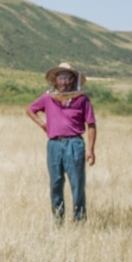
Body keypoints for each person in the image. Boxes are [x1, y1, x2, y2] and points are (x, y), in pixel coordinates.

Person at [27, 61, 98, 223]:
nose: (64, 82)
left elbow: (91, 125)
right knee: (56, 183)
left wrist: (91, 150)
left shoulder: (82, 100)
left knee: (77, 183)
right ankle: (57, 220)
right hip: (54, 145)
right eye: (61, 78)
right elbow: (30, 110)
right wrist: (43, 125)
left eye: (67, 78)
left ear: (73, 80)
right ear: (55, 80)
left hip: (75, 144)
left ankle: (79, 221)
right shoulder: (47, 98)